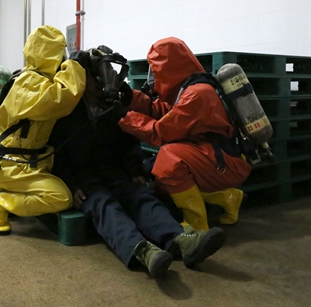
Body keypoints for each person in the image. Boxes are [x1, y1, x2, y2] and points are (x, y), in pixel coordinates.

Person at [49, 46, 226, 278]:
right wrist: (70, 185)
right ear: (81, 77)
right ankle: (143, 251)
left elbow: (127, 141)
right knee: (104, 206)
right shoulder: (65, 110)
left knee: (140, 196)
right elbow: (55, 152)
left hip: (113, 170)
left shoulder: (110, 105)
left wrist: (135, 169)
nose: (103, 80)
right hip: (84, 178)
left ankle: (180, 240)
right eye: (97, 75)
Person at [117, 37, 252, 232]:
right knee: (162, 177)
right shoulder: (189, 89)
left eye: (156, 70)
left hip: (226, 163)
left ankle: (197, 226)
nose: (153, 77)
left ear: (169, 67)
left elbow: (162, 132)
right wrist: (131, 98)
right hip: (216, 156)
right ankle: (229, 198)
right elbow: (163, 111)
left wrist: (124, 117)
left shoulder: (196, 94)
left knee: (168, 161)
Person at [0, 25, 86, 235]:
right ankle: (0, 202)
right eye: (60, 53)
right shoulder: (29, 83)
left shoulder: (34, 79)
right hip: (14, 165)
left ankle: (4, 187)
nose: (62, 58)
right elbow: (62, 98)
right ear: (51, 54)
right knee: (61, 197)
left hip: (26, 162)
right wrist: (74, 65)